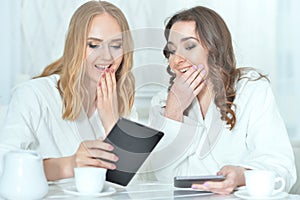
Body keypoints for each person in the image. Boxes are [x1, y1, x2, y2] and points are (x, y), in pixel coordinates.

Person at [146, 6, 296, 194]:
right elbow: (166, 179)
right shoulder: (161, 102)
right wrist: (173, 112)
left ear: (214, 48)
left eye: (190, 46)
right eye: (171, 51)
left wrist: (241, 176)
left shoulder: (251, 90)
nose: (177, 60)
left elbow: (281, 168)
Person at [0, 1, 135, 181]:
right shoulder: (33, 95)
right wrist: (69, 165)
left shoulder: (123, 100)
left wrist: (112, 121)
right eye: (94, 45)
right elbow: (4, 166)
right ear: (74, 46)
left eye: (116, 45)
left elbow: (134, 179)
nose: (107, 56)